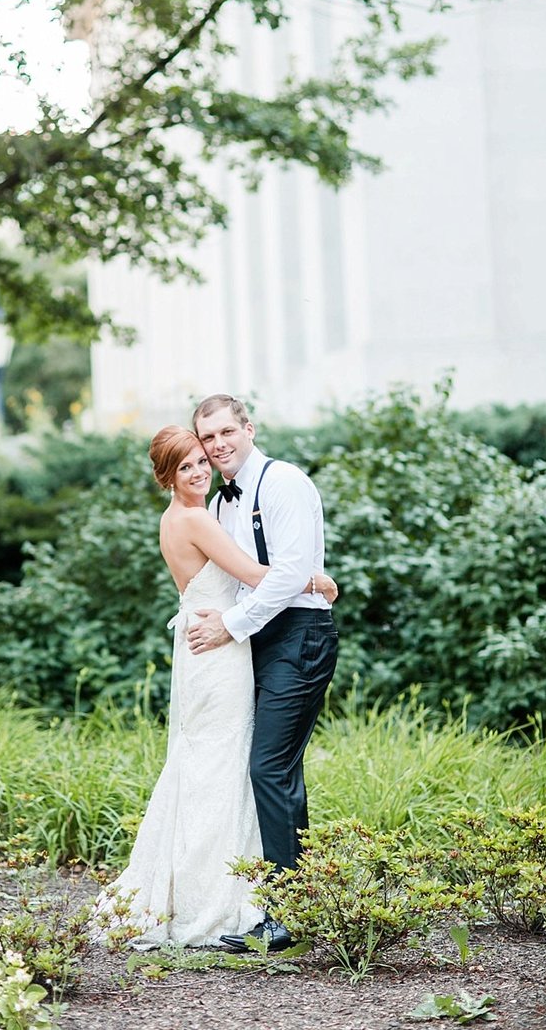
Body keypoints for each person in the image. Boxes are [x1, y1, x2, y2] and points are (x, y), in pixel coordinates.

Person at [95, 426, 337, 948]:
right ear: (167, 477)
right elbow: (254, 575)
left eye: (202, 461)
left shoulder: (178, 518)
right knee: (222, 767)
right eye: (186, 467)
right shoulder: (197, 518)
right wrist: (317, 581)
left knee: (207, 763)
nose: (201, 471)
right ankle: (218, 901)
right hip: (219, 653)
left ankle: (214, 890)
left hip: (205, 646)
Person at [189, 394, 339, 953]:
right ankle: (300, 902)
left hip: (299, 638)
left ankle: (284, 916)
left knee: (269, 769)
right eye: (208, 438)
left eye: (228, 431)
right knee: (271, 771)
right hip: (256, 638)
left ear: (249, 428)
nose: (219, 444)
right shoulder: (222, 502)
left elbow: (289, 573)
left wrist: (232, 624)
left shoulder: (284, 483)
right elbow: (251, 572)